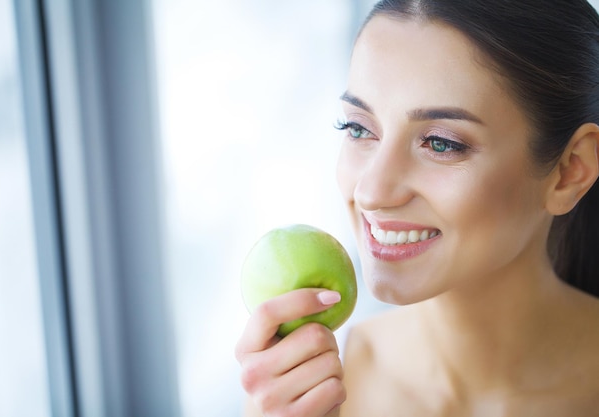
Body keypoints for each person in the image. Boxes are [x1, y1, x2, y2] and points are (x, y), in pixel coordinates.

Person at [235, 0, 599, 415]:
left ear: (571, 171)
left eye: (441, 143)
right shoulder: (326, 391)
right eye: (358, 128)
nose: (371, 192)